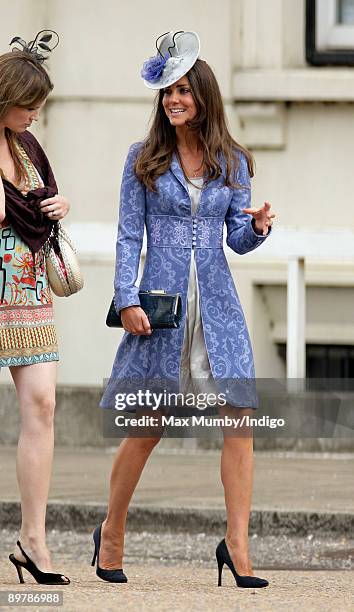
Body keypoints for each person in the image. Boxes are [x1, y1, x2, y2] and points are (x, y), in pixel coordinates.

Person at [96, 31, 275, 588]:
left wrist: (259, 228)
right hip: (163, 308)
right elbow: (129, 237)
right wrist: (125, 297)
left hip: (217, 308)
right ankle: (111, 534)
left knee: (239, 422)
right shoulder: (142, 158)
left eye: (183, 92)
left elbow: (237, 239)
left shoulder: (233, 160)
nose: (174, 101)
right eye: (167, 93)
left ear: (203, 96)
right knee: (149, 425)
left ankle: (237, 545)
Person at [0, 31, 70, 585]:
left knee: (43, 404)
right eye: (32, 106)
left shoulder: (25, 147)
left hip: (27, 288)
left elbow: (37, 203)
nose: (37, 117)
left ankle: (32, 541)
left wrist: (59, 203)